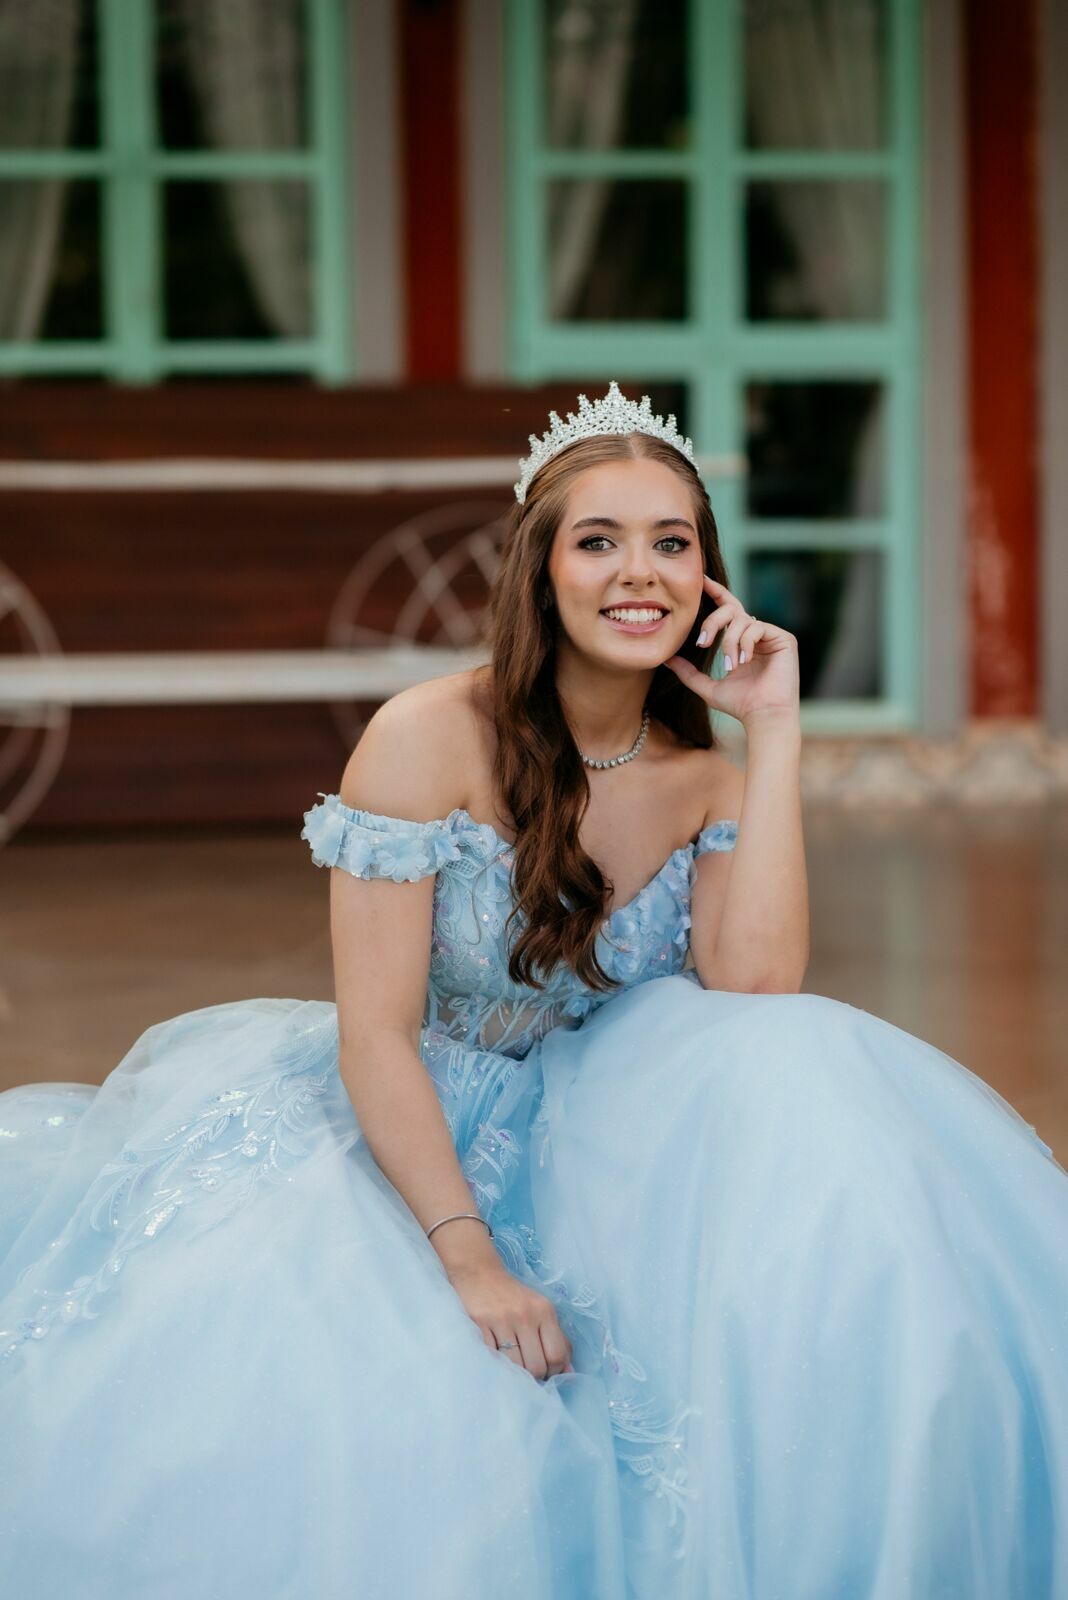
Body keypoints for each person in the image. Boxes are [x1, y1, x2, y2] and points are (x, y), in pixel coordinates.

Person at [1, 382, 1066, 1600]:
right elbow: (379, 1036)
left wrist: (772, 737)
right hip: (410, 1124)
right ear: (540, 569)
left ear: (709, 577)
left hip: (599, 1132)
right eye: (599, 540)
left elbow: (760, 989)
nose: (641, 573)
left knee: (817, 1086)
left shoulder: (698, 773)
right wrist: (469, 1258)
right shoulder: (424, 737)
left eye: (673, 543)